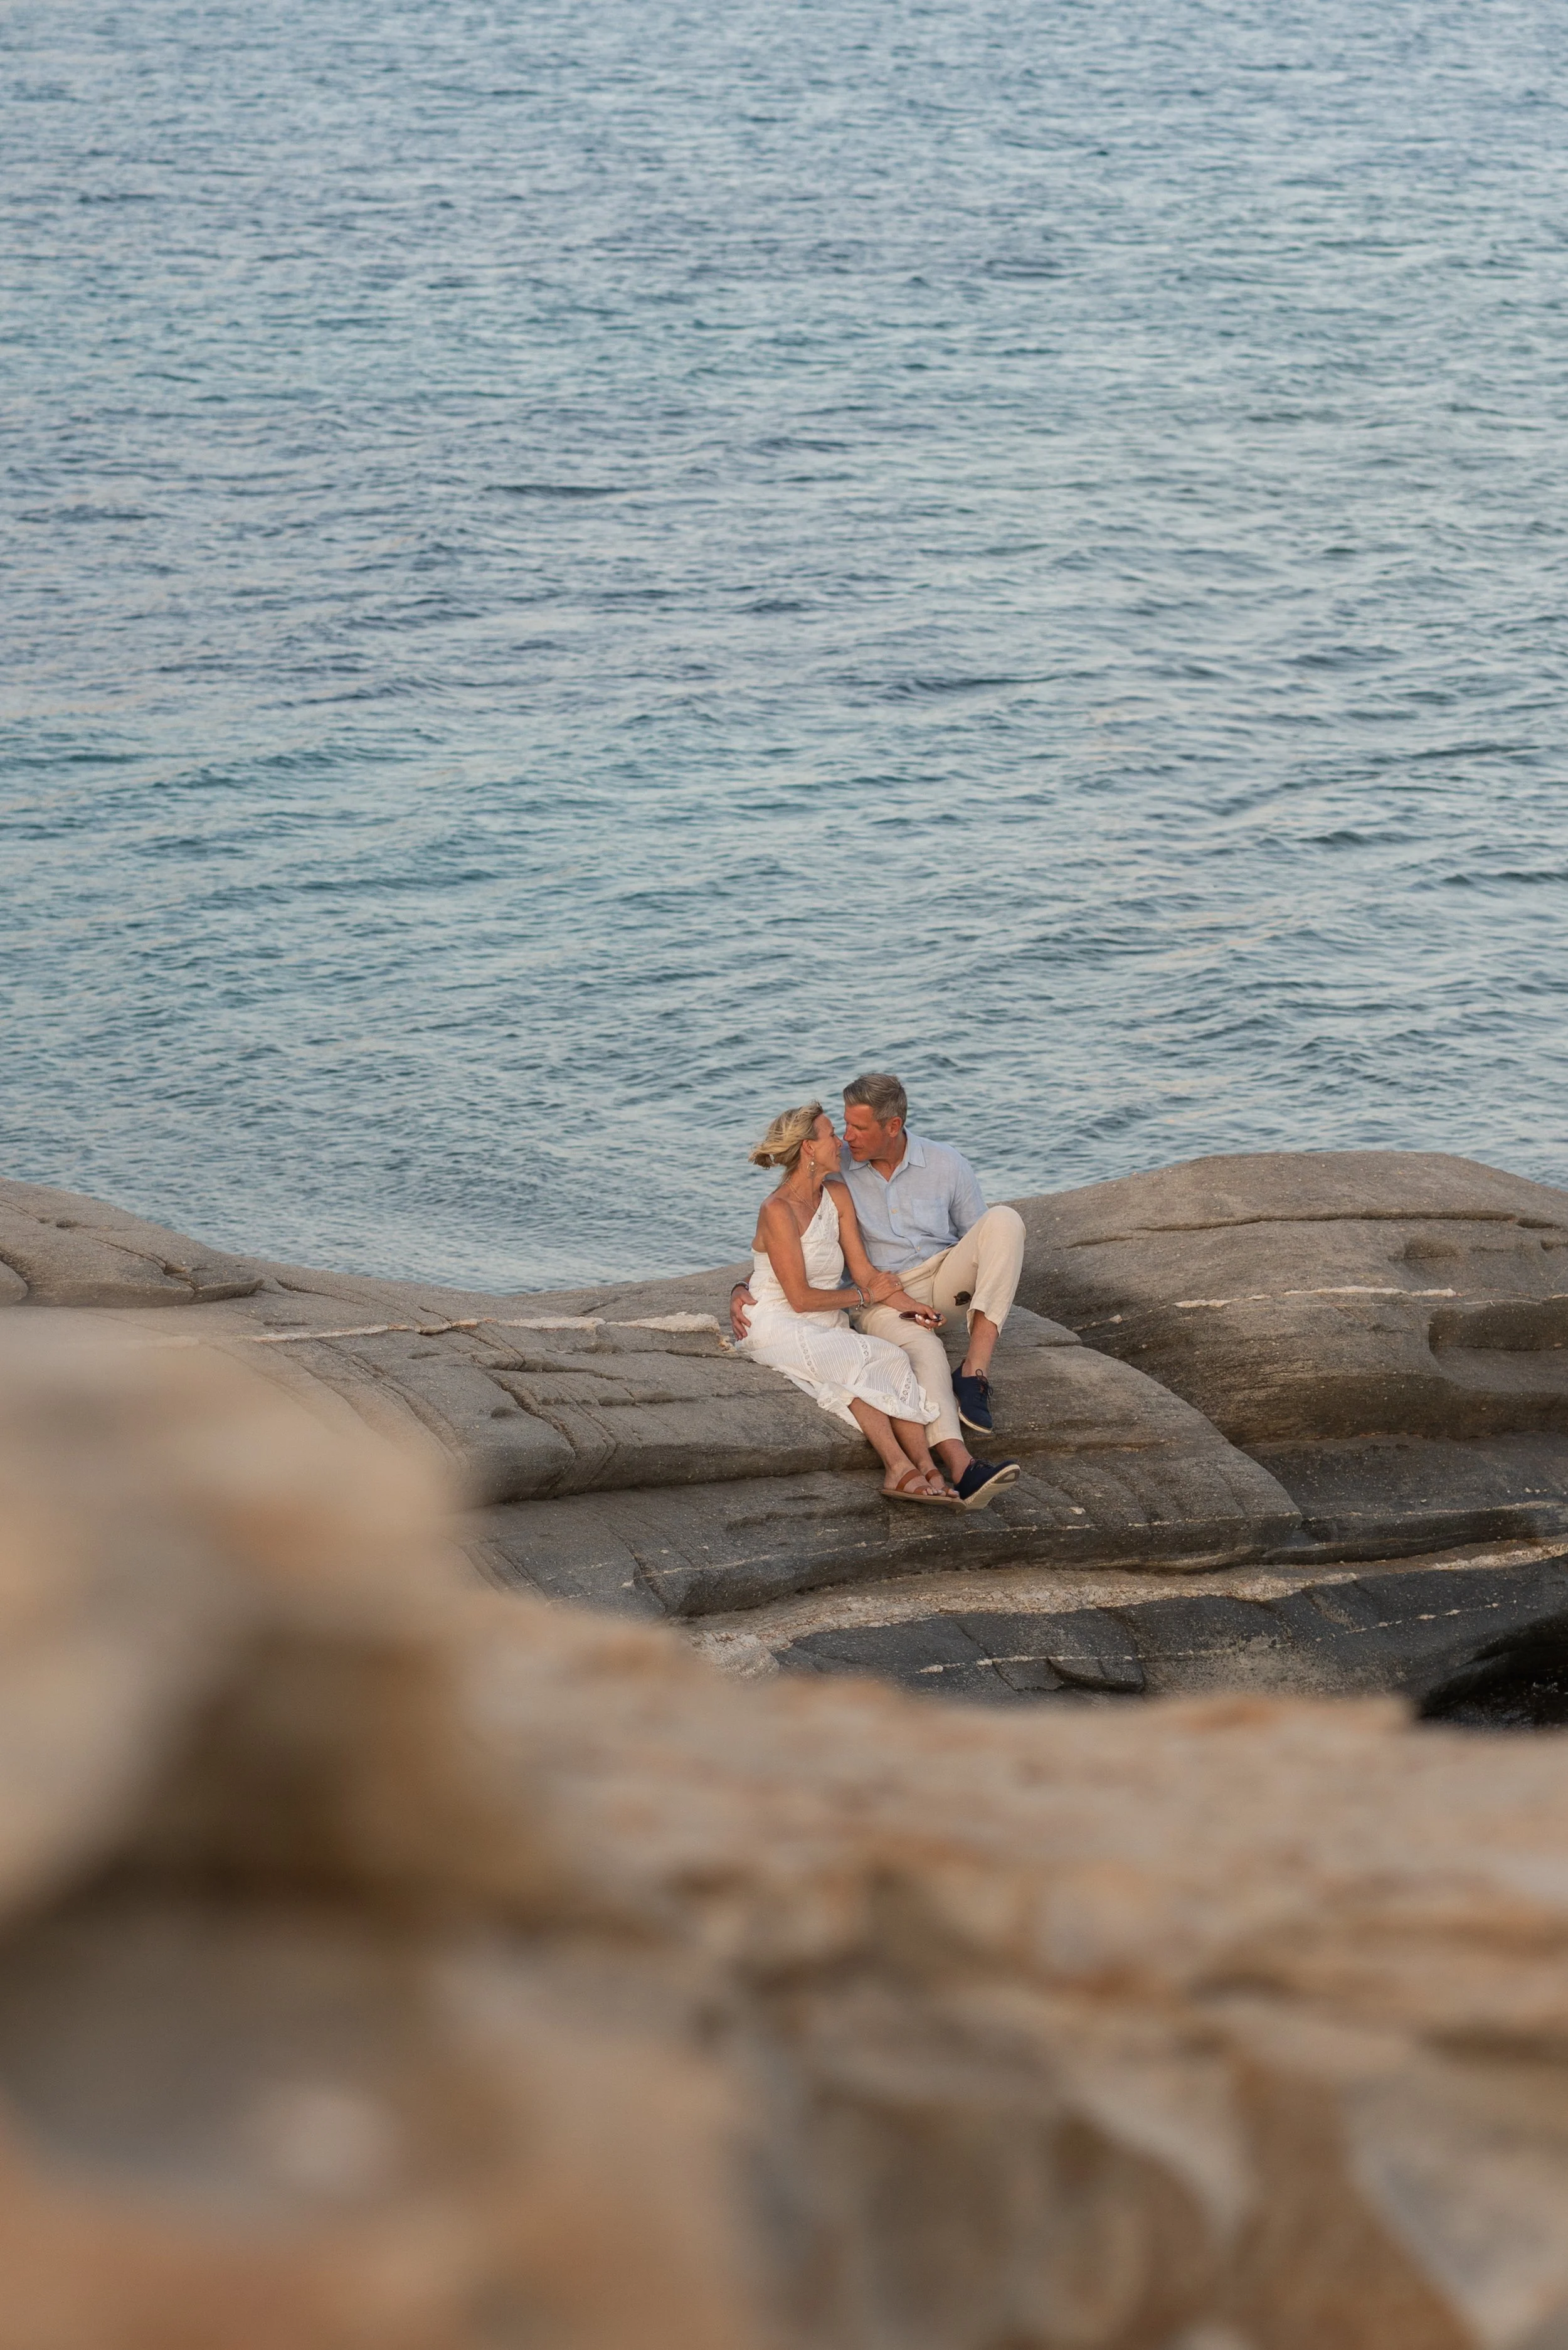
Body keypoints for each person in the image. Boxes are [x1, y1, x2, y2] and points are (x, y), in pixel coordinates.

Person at [733, 1073, 1022, 1508]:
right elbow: (791, 1268)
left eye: (856, 1129)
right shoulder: (824, 1179)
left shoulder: (941, 1165)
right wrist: (742, 1286)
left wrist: (914, 1304)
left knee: (1005, 1221)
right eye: (838, 1131)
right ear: (813, 1146)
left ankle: (972, 1375)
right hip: (844, 1306)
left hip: (931, 1280)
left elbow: (971, 1243)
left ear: (893, 1126)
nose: (846, 1140)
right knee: (908, 1357)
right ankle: (950, 1466)